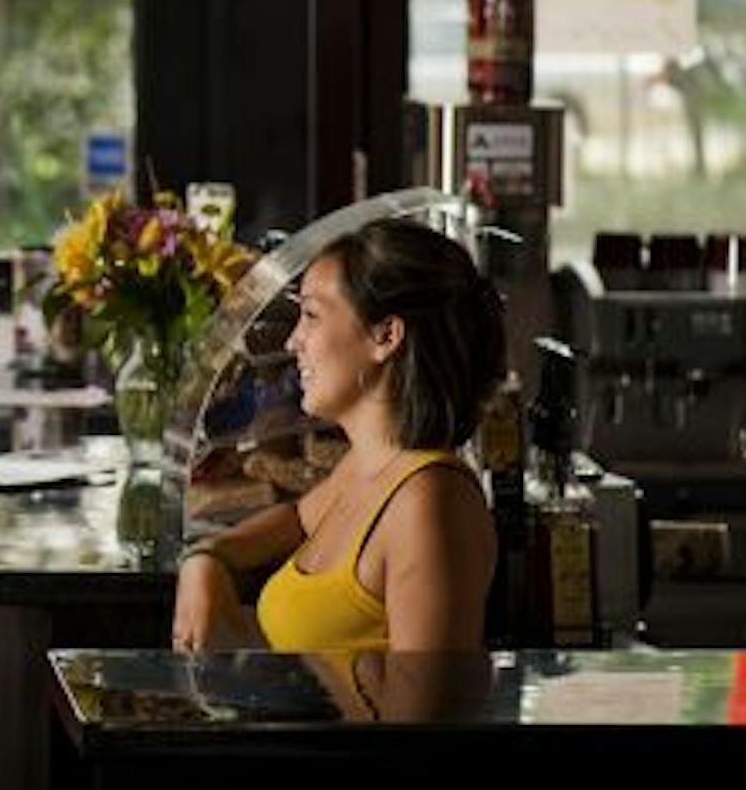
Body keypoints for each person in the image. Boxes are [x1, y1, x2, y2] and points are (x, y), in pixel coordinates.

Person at [170, 217, 504, 654]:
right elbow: (296, 518)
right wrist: (208, 558)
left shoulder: (429, 501)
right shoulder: (365, 467)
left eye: (311, 315)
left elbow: (425, 700)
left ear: (385, 336)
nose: (293, 342)